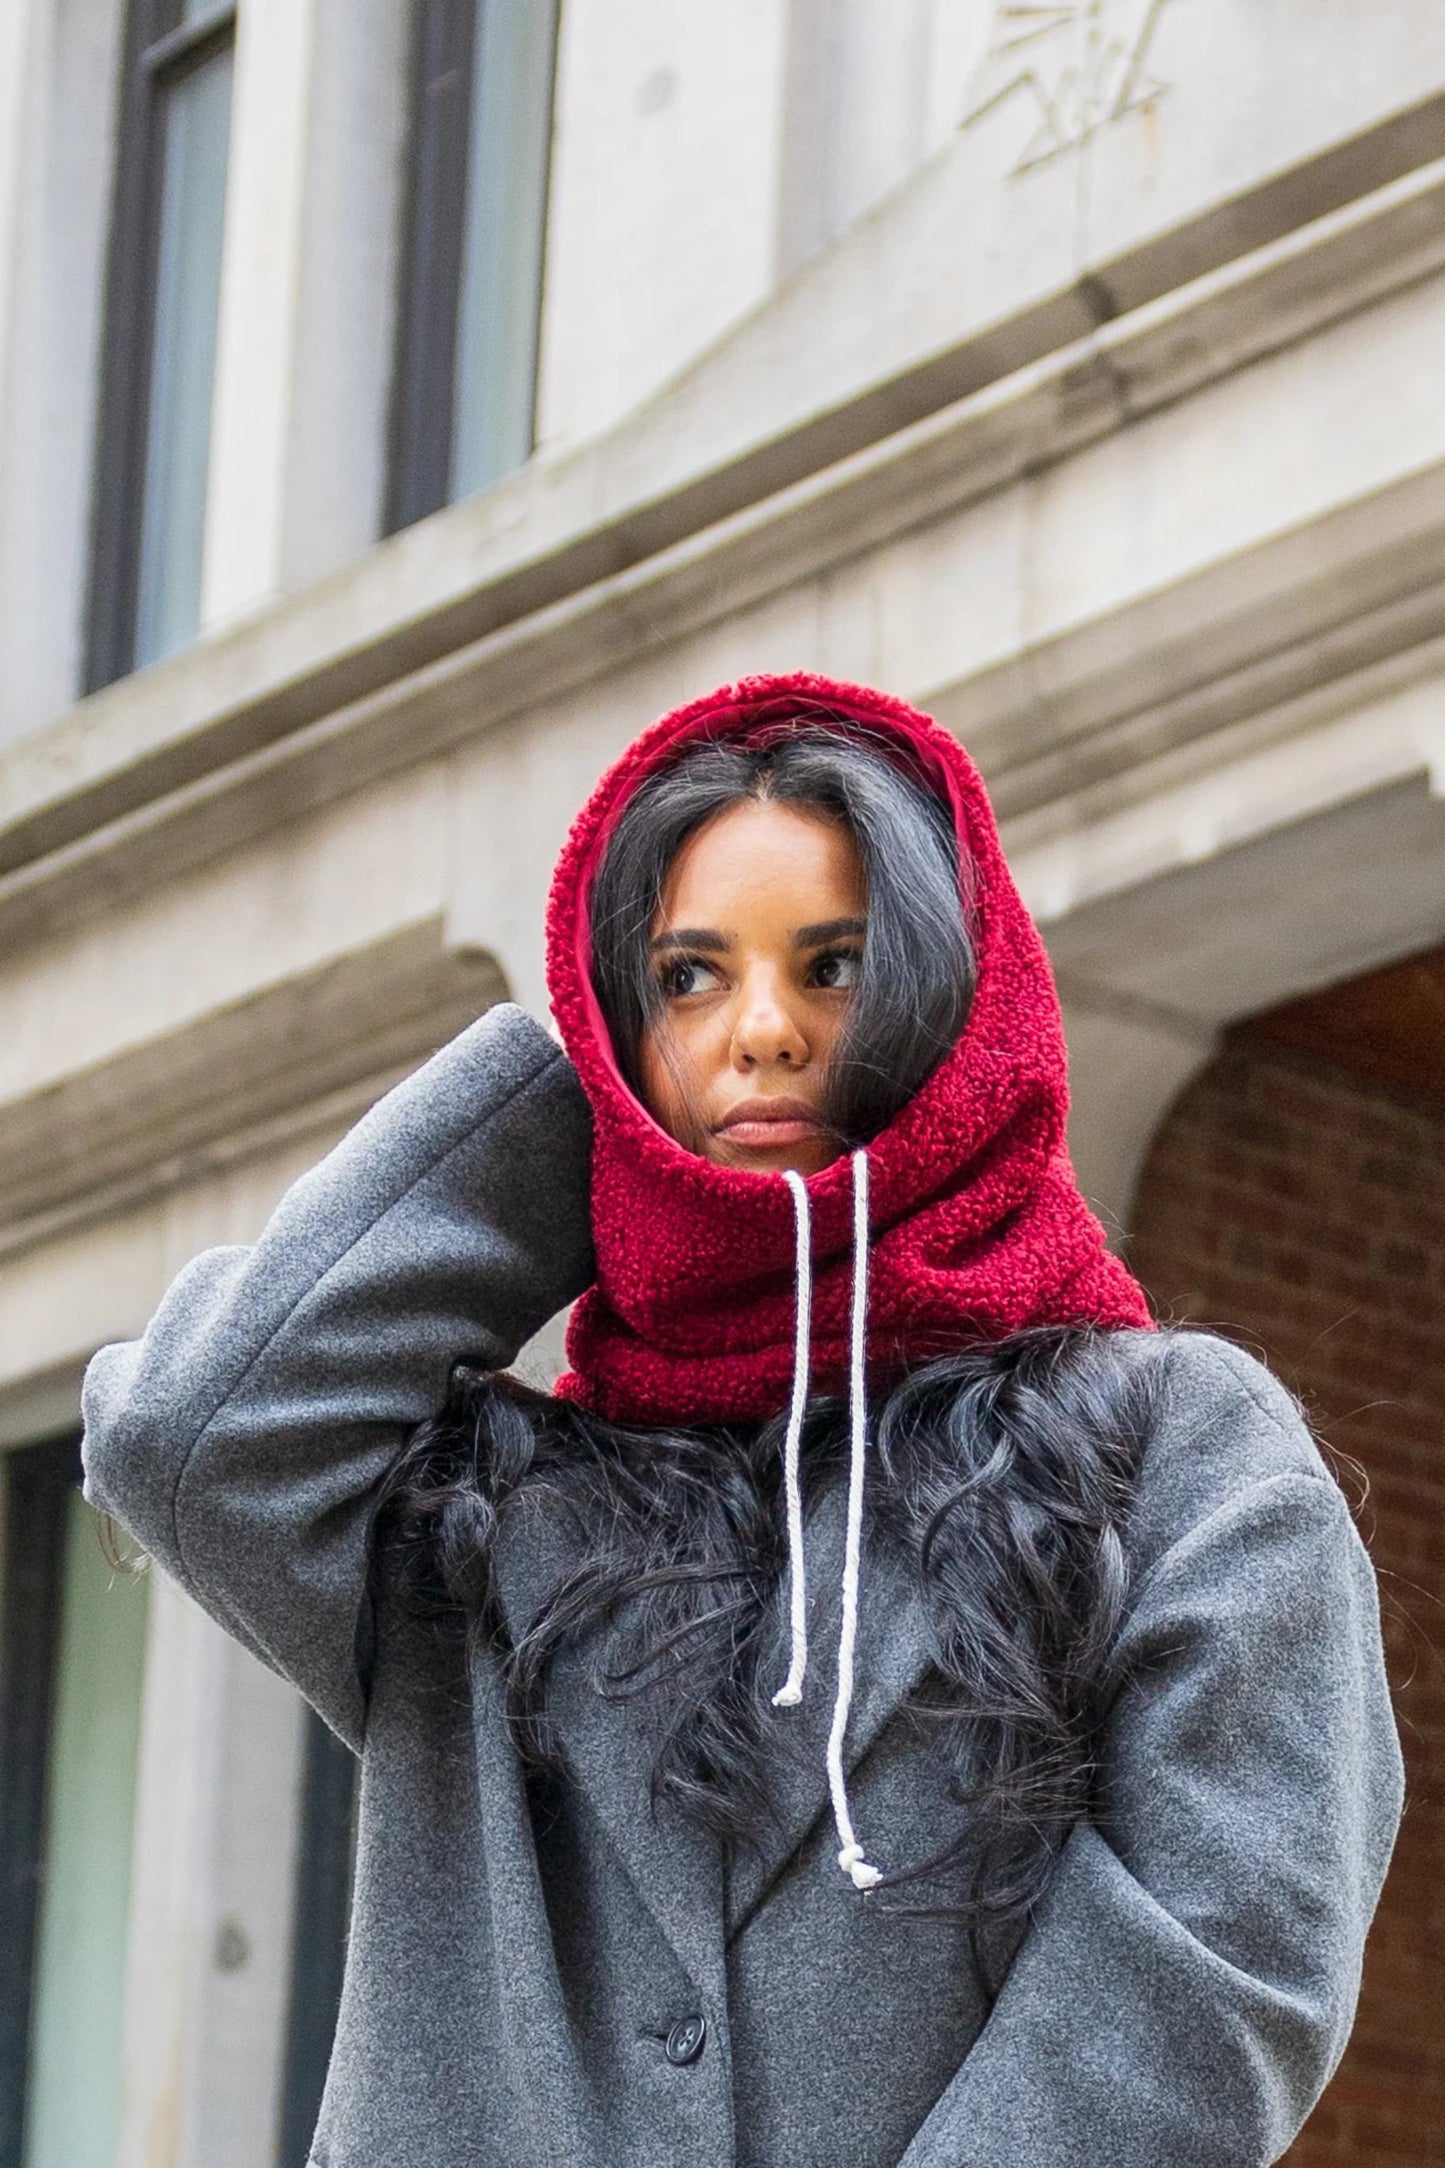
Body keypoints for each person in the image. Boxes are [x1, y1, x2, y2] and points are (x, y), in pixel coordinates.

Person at [82, 672, 1403, 2168]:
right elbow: (189, 1436)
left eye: (835, 966)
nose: (763, 1031)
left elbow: (1218, 1966)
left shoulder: (1178, 1451)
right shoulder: (485, 1506)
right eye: (685, 979)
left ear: (954, 996)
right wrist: (565, 1103)